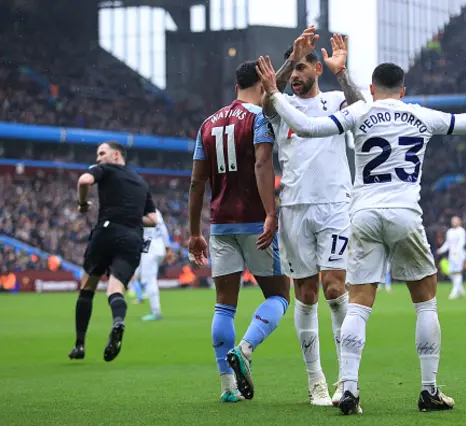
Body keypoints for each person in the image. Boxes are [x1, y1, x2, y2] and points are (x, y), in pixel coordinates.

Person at [256, 54, 466, 414]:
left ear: (372, 89)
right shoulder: (420, 114)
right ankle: (429, 391)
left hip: (362, 214)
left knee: (359, 303)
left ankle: (348, 389)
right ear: (403, 90)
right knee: (425, 301)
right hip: (405, 213)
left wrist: (274, 92)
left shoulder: (361, 112)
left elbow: (307, 127)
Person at [261, 25, 365, 406]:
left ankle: (346, 380)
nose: (298, 77)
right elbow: (270, 99)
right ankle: (315, 380)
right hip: (293, 208)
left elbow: (362, 109)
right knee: (304, 294)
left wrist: (342, 71)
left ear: (317, 70)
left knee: (335, 288)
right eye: (295, 71)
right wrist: (290, 59)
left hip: (336, 205)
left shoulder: (337, 100)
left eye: (305, 68)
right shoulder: (280, 107)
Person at [187, 61, 290, 403]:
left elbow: (196, 182)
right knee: (278, 296)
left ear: (235, 87)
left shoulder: (207, 124)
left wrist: (194, 233)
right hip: (254, 221)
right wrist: (271, 212)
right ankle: (245, 348)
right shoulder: (259, 117)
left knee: (223, 306)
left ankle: (227, 388)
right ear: (262, 86)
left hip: (220, 225)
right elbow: (262, 163)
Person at [68, 141, 158, 362]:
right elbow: (153, 220)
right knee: (115, 289)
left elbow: (84, 180)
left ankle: (79, 345)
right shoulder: (140, 182)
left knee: (88, 286)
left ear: (116, 155)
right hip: (132, 238)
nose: (98, 158)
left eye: (102, 153)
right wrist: (128, 216)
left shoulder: (105, 170)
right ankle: (118, 321)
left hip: (106, 233)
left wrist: (81, 204)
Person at [135, 209, 171, 320]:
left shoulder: (140, 209)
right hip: (159, 247)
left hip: (150, 247)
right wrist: (168, 248)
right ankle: (154, 309)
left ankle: (156, 311)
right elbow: (164, 230)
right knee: (143, 277)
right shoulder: (156, 211)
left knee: (149, 280)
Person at [437, 216, 466, 299]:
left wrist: (457, 250)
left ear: (459, 222)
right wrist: (441, 250)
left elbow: (462, 241)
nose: (454, 222)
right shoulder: (449, 231)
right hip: (451, 255)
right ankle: (461, 290)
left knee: (457, 273)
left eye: (456, 221)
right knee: (451, 273)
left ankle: (454, 293)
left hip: (458, 254)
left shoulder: (461, 231)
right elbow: (447, 243)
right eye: (453, 221)